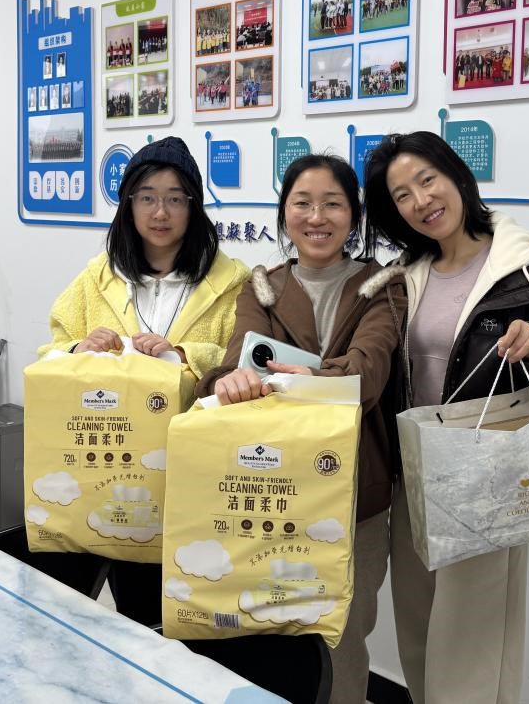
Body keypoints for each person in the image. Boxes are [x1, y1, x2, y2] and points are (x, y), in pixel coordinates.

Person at [362, 131, 529, 704]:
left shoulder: (523, 269)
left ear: (456, 177)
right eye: (402, 195)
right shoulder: (404, 276)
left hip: (488, 475)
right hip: (415, 474)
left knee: (471, 645)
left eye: (427, 180)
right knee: (418, 630)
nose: (421, 200)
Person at [197, 154, 405, 704]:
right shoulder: (260, 287)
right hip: (269, 484)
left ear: (353, 215)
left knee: (343, 634)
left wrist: (304, 379)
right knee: (267, 625)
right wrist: (230, 381)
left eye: (332, 204)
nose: (317, 217)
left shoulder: (384, 286)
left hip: (354, 492)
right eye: (302, 203)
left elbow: (367, 373)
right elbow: (238, 364)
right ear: (284, 213)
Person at [39, 136, 250, 626]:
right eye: (148, 197)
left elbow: (242, 363)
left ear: (193, 206)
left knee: (197, 610)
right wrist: (79, 349)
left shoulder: (231, 281)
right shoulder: (99, 277)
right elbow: (52, 350)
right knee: (135, 608)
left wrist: (184, 355)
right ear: (128, 203)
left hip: (198, 473)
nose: (160, 212)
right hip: (117, 473)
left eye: (176, 198)